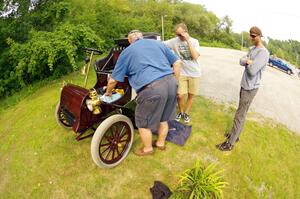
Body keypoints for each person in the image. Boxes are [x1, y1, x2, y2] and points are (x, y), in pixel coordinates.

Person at [105, 30, 182, 156]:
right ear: (142, 37)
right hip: (171, 83)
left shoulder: (127, 52)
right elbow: (177, 63)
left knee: (142, 122)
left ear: (129, 41)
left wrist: (108, 93)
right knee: (164, 118)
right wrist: (176, 82)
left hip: (152, 88)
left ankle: (147, 149)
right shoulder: (158, 44)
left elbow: (113, 81)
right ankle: (160, 144)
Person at [216, 26, 270, 151]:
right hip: (244, 85)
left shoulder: (263, 53)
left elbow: (252, 71)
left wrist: (249, 62)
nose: (251, 38)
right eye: (250, 35)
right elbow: (241, 61)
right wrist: (248, 61)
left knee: (239, 115)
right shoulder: (252, 49)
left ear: (259, 36)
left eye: (253, 36)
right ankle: (236, 136)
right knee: (242, 113)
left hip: (250, 88)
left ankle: (229, 144)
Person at [164, 23, 201, 123]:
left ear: (186, 32)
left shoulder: (194, 41)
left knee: (191, 95)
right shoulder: (174, 41)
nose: (179, 37)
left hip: (194, 73)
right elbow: (161, 44)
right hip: (182, 72)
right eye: (177, 35)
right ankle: (180, 112)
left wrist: (188, 40)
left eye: (180, 34)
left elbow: (195, 56)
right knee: (180, 95)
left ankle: (186, 113)